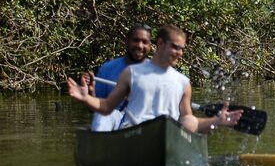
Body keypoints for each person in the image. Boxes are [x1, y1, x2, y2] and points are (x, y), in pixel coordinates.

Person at [67, 25, 242, 134]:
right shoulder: (131, 73)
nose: (179, 53)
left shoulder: (183, 82)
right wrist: (86, 97)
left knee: (180, 122)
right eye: (175, 47)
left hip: (167, 133)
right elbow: (106, 108)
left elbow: (188, 120)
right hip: (133, 134)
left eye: (181, 49)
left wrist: (216, 121)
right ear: (160, 44)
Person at [84, 23, 152, 131]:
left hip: (142, 120)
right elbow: (94, 109)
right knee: (102, 115)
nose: (140, 46)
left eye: (144, 42)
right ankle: (100, 141)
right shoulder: (108, 68)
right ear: (127, 42)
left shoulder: (157, 72)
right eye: (135, 40)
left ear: (150, 45)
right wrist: (90, 91)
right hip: (113, 116)